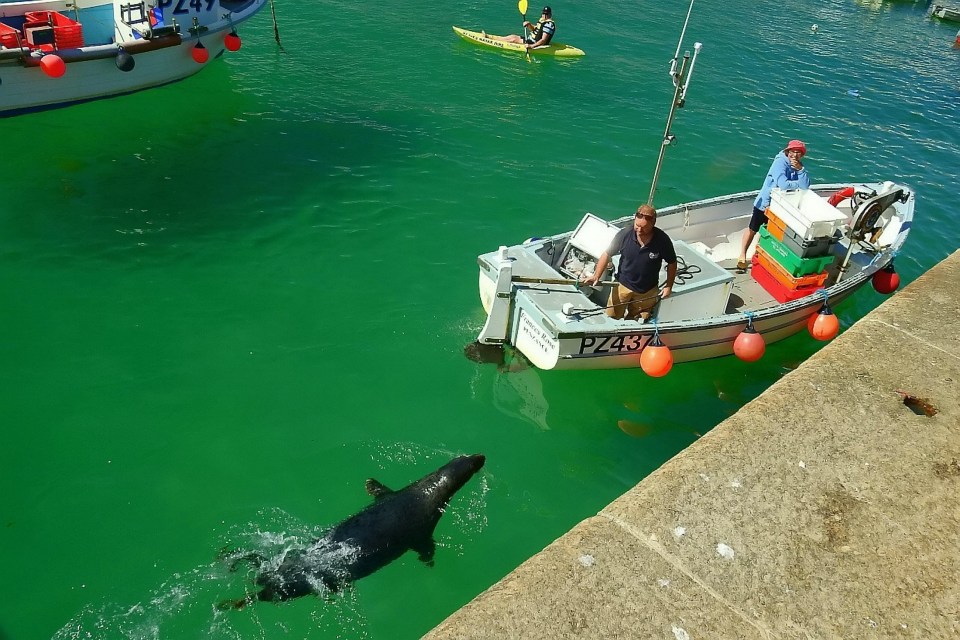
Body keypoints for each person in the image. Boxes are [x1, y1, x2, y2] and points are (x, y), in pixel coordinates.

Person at [583, 204, 678, 322]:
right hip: (622, 286)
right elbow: (607, 254)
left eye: (644, 228)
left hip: (647, 291)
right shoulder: (624, 234)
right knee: (611, 318)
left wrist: (669, 286)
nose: (639, 230)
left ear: (653, 224)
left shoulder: (663, 240)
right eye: (637, 226)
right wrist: (596, 276)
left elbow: (672, 263)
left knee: (638, 320)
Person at [737, 139, 811, 272]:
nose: (795, 155)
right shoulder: (779, 162)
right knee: (753, 229)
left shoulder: (799, 166)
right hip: (765, 203)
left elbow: (805, 187)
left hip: (780, 208)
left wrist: (801, 171)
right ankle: (742, 254)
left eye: (799, 153)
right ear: (787, 151)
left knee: (767, 232)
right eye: (793, 152)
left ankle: (757, 254)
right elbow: (783, 185)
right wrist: (796, 185)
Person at [490, 6, 556, 50]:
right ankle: (493, 38)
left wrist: (531, 46)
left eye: (546, 14)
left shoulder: (549, 24)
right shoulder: (542, 20)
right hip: (531, 40)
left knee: (513, 39)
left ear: (550, 15)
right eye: (544, 13)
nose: (545, 15)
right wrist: (529, 24)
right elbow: (535, 30)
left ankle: (492, 41)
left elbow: (543, 40)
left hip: (535, 43)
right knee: (512, 36)